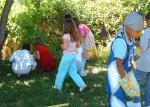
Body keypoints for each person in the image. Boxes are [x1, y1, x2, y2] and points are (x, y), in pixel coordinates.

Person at [105, 11, 144, 107]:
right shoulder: (120, 43)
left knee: (129, 94)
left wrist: (131, 67)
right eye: (137, 31)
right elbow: (118, 64)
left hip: (124, 73)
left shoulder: (131, 37)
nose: (140, 34)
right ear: (127, 29)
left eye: (140, 31)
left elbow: (130, 52)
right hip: (115, 76)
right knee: (117, 99)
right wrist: (126, 82)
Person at [54, 19, 87, 92]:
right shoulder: (74, 36)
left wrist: (61, 46)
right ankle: (82, 84)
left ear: (65, 27)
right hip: (73, 56)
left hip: (67, 57)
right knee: (73, 72)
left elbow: (65, 47)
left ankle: (57, 86)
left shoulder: (65, 36)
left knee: (61, 71)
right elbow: (78, 46)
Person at [127, 12, 150, 107]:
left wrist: (137, 43)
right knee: (149, 85)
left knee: (133, 81)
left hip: (145, 62)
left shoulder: (148, 31)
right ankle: (148, 103)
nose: (145, 22)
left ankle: (135, 102)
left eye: (146, 20)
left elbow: (143, 47)